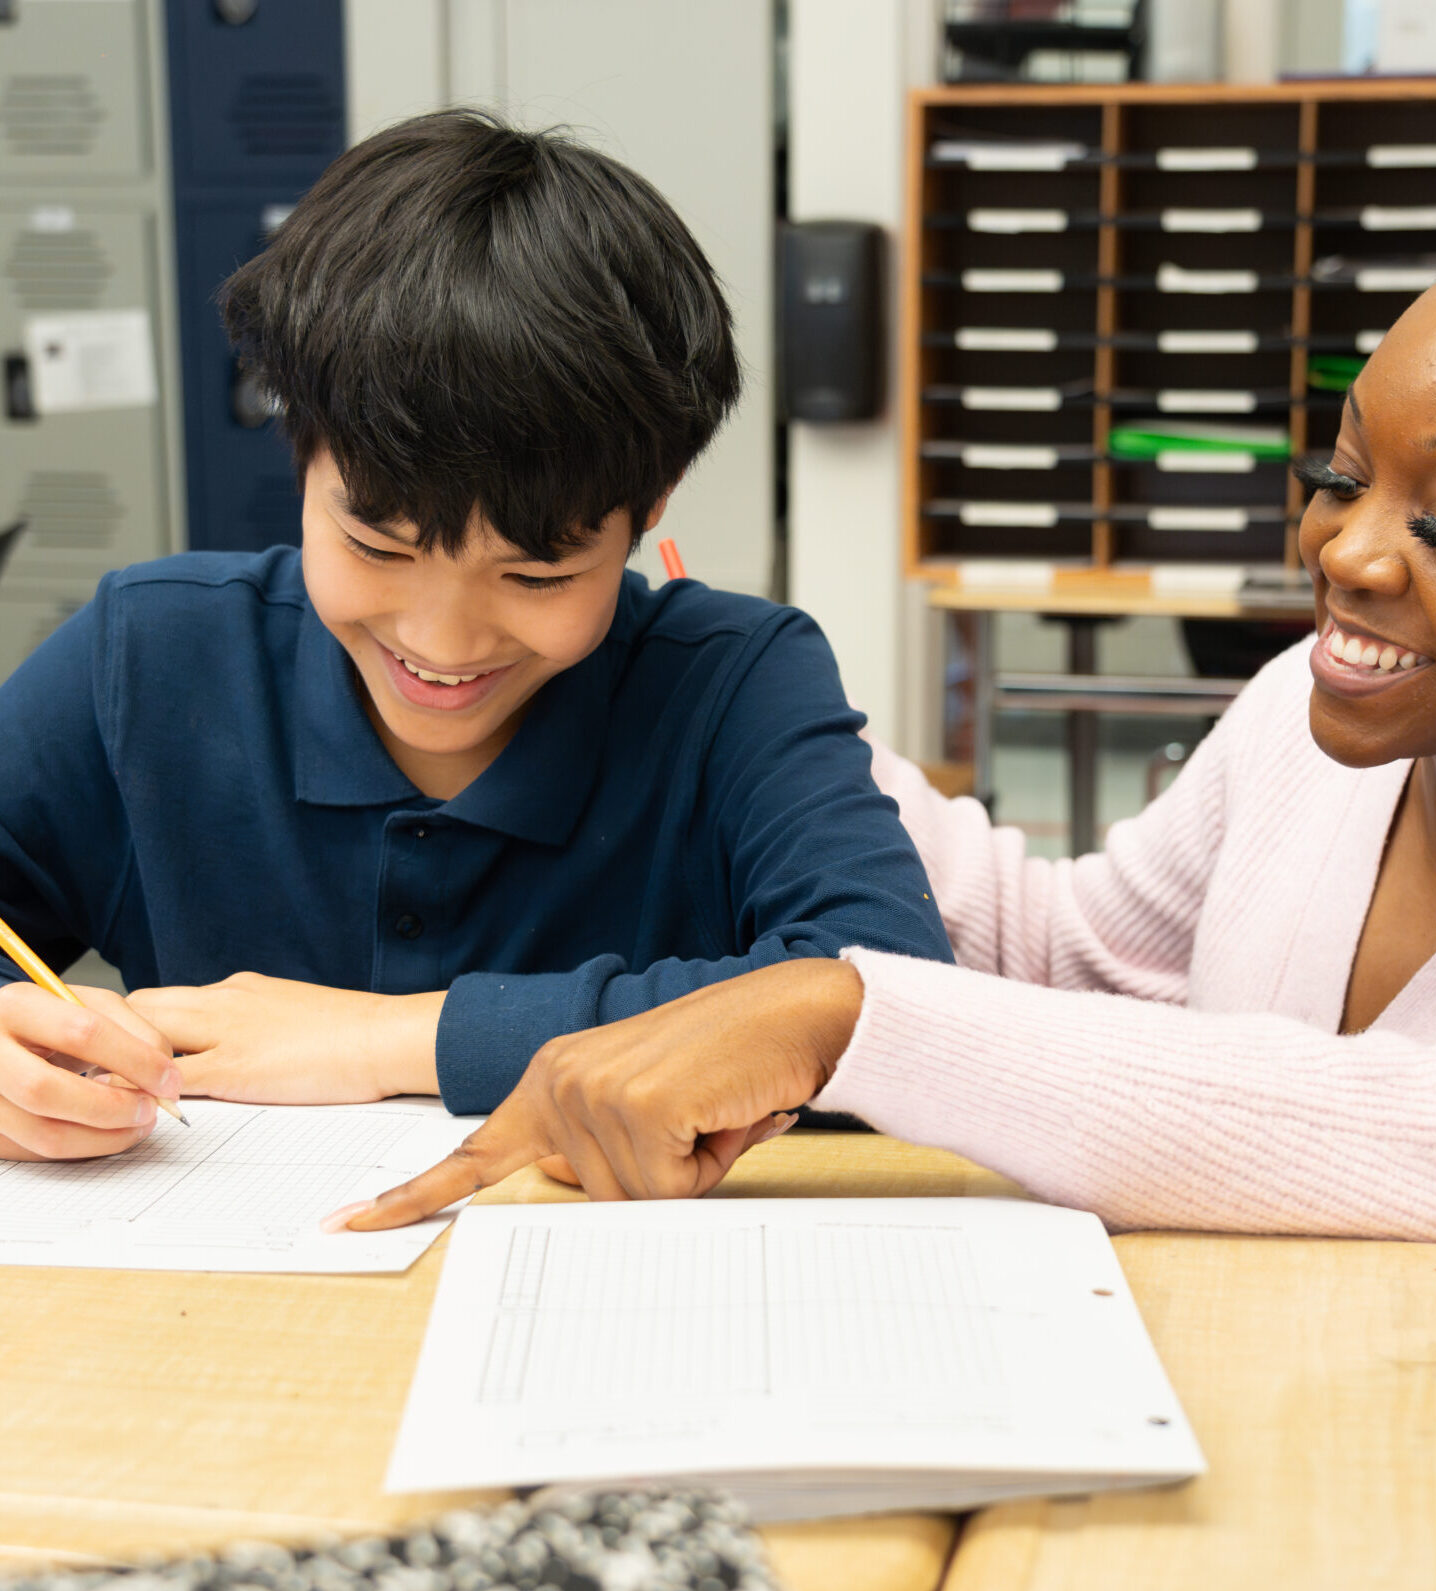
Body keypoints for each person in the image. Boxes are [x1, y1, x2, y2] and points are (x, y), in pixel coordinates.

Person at [346, 200, 1436, 1247]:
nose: (1344, 551)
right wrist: (747, 724)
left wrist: (855, 1009)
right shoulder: (1305, 729)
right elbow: (1071, 957)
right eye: (1336, 474)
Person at [0, 111, 951, 1164]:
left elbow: (893, 1001)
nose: (440, 640)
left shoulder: (734, 684)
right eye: (375, 545)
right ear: (299, 452)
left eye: (537, 573)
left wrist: (391, 1038)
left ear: (652, 504)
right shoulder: (150, 655)